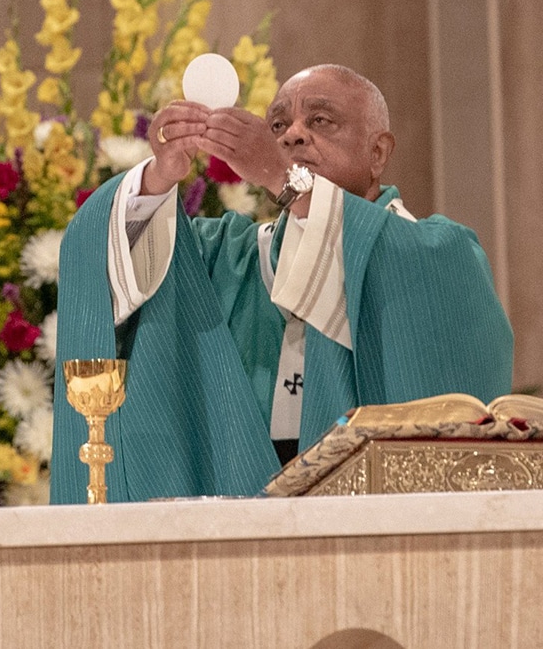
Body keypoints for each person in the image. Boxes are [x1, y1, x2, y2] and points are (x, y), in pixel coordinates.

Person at [51, 64, 514, 504]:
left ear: (378, 152)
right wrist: (157, 178)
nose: (292, 133)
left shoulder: (438, 254)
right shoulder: (227, 256)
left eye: (320, 119)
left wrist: (280, 175)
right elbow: (103, 257)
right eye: (276, 126)